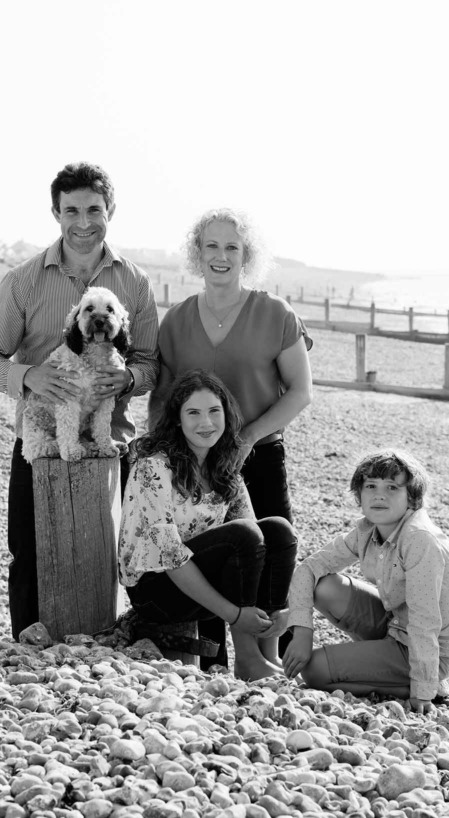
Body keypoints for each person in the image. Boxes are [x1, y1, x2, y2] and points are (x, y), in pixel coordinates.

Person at [0, 162, 158, 640]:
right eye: (71, 210)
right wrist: (29, 375)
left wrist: (127, 380)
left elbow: (152, 363)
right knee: (30, 553)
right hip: (40, 438)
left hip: (110, 442)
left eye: (94, 209)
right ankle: (24, 647)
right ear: (56, 212)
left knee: (120, 551)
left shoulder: (134, 283)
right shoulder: (23, 280)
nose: (83, 222)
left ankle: (115, 646)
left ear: (109, 211)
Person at [149, 208, 313, 669]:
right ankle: (216, 661)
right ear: (197, 255)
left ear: (246, 256)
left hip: (259, 453)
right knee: (215, 554)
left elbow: (300, 392)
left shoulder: (275, 313)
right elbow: (162, 401)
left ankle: (267, 656)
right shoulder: (176, 322)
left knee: (274, 549)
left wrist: (246, 438)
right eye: (211, 246)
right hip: (195, 462)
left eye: (232, 247)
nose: (221, 256)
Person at [119, 369, 298, 680]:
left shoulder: (223, 465)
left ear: (226, 415)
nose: (206, 423)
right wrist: (235, 615)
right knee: (243, 535)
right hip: (156, 590)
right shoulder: (154, 466)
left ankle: (267, 654)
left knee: (278, 530)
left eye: (215, 411)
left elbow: (259, 542)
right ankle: (246, 658)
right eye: (193, 413)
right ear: (177, 419)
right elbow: (170, 555)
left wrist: (286, 607)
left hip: (201, 581)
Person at [281, 449, 449, 714]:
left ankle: (424, 684)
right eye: (370, 486)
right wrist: (302, 631)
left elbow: (424, 620)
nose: (379, 495)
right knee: (326, 587)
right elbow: (308, 569)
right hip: (395, 625)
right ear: (359, 495)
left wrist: (422, 691)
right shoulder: (367, 530)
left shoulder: (419, 540)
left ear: (412, 498)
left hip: (430, 649)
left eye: (392, 487)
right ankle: (379, 663)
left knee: (313, 672)